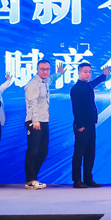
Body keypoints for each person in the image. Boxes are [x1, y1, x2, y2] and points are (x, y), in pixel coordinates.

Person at [23, 59, 64, 190]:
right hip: (34, 121)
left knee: (43, 152)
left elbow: (51, 78)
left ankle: (33, 178)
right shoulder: (33, 84)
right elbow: (31, 103)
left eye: (47, 69)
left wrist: (59, 73)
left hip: (44, 120)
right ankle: (30, 180)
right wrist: (35, 120)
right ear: (37, 69)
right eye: (42, 69)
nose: (45, 71)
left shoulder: (45, 82)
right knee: (33, 151)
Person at [70, 63, 111, 188]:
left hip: (91, 123)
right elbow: (76, 108)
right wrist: (79, 125)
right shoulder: (76, 88)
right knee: (79, 153)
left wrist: (104, 76)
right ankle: (77, 180)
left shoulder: (88, 85)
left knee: (90, 152)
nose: (88, 74)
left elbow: (94, 83)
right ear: (79, 72)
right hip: (81, 125)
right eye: (85, 71)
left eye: (89, 71)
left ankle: (88, 179)